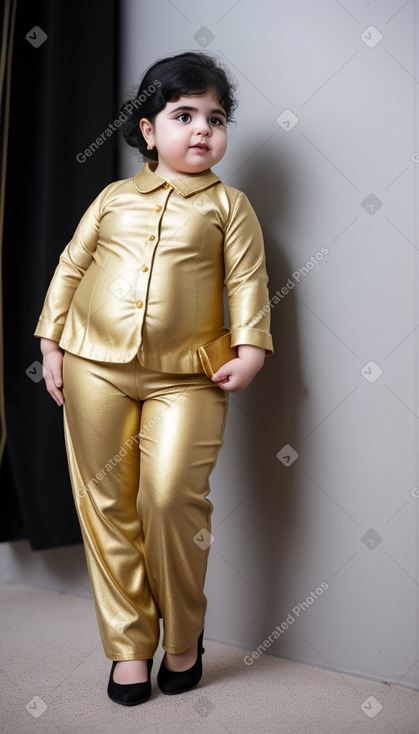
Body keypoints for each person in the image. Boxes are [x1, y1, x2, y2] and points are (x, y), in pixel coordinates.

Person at [34, 51, 273, 706]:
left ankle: (184, 637)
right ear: (147, 130)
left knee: (170, 499)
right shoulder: (113, 198)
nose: (201, 129)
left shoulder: (230, 206)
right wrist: (51, 339)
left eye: (215, 117)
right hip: (92, 366)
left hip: (189, 378)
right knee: (106, 505)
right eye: (183, 114)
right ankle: (129, 647)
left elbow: (247, 283)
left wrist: (250, 348)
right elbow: (71, 265)